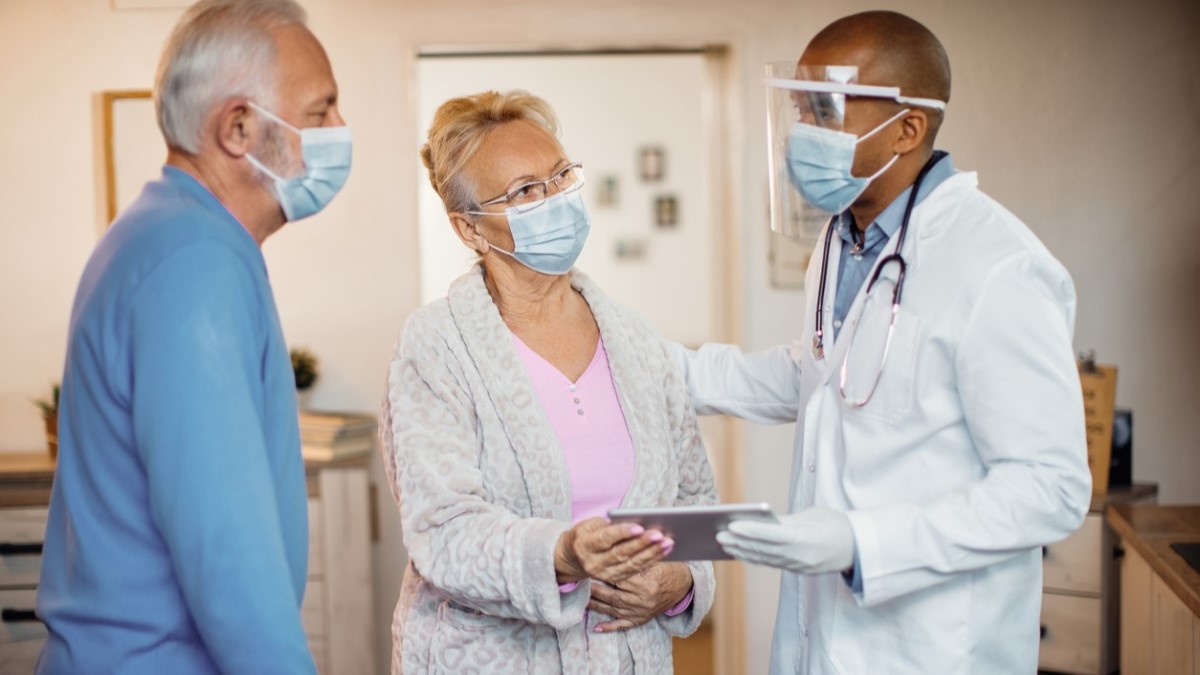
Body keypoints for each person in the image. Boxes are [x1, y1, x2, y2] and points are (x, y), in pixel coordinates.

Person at [673, 10, 1092, 674]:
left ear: (908, 127)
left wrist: (862, 540)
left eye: (825, 109)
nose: (803, 132)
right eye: (801, 110)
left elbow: (1051, 488)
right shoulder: (844, 240)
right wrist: (659, 365)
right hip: (820, 638)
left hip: (932, 648)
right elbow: (816, 376)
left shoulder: (997, 266)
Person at [35, 1, 349, 672]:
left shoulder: (175, 237)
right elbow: (224, 545)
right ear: (238, 127)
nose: (339, 129)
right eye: (321, 112)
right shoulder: (193, 262)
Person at [381, 89, 717, 674]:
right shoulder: (435, 347)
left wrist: (683, 581)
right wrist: (561, 554)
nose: (554, 199)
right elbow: (444, 531)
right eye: (524, 192)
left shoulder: (636, 341)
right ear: (469, 229)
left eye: (561, 176)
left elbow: (693, 503)